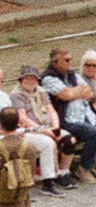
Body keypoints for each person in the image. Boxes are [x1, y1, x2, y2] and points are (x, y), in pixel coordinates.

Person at [8, 66, 68, 196]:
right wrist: (44, 130)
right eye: (27, 77)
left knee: (69, 139)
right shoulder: (16, 95)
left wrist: (55, 128)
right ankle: (49, 181)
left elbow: (51, 111)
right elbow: (22, 119)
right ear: (21, 79)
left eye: (33, 78)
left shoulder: (41, 92)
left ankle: (63, 173)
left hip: (47, 127)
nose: (30, 80)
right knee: (48, 143)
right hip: (29, 130)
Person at [41, 48, 96, 182]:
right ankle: (83, 168)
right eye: (66, 60)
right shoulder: (48, 77)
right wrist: (75, 92)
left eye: (71, 59)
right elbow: (65, 95)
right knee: (94, 133)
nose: (70, 62)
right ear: (55, 62)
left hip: (85, 115)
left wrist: (72, 92)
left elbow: (89, 91)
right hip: (67, 120)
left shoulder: (71, 74)